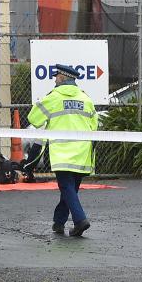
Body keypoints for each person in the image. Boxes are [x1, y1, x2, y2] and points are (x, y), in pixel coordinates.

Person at [27, 64, 97, 237]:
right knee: (70, 189)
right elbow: (95, 125)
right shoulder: (85, 98)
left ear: (62, 78)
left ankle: (80, 220)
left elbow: (33, 119)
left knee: (67, 188)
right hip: (82, 152)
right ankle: (59, 222)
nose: (54, 79)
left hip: (62, 152)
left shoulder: (53, 97)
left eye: (56, 76)